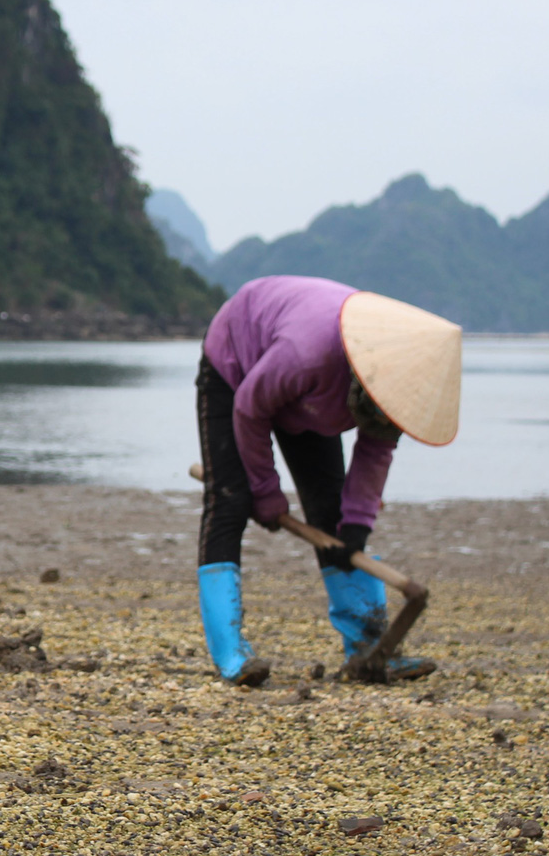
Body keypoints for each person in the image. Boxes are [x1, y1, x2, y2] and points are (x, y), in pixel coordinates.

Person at [196, 276, 460, 685]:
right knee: (230, 500)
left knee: (334, 517)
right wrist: (265, 492)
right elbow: (249, 408)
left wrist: (357, 523)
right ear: (361, 380)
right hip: (238, 364)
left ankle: (370, 648)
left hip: (311, 396)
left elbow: (376, 449)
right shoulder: (308, 355)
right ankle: (231, 654)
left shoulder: (394, 382)